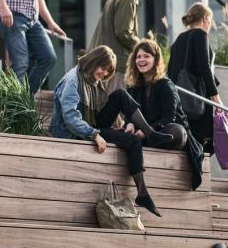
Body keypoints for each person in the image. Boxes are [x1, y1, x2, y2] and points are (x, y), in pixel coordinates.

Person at [50, 45, 172, 217]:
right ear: (94, 62)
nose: (105, 74)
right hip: (77, 132)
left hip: (91, 123)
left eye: (108, 71)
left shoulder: (91, 78)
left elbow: (101, 106)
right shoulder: (72, 81)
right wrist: (94, 134)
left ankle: (150, 135)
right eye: (103, 68)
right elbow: (71, 118)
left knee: (121, 96)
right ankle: (143, 194)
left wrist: (118, 121)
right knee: (133, 141)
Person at [125, 39, 205, 190]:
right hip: (143, 133)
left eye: (146, 56)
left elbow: (169, 118)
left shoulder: (165, 85)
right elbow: (130, 113)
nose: (141, 60)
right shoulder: (134, 87)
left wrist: (146, 131)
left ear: (155, 60)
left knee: (176, 132)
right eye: (138, 56)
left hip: (164, 130)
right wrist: (129, 123)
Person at [88, 0, 160, 93]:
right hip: (115, 64)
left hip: (104, 61)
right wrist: (142, 47)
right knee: (116, 107)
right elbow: (123, 32)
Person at [167, 3, 222, 152]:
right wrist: (216, 98)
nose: (209, 25)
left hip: (181, 100)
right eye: (209, 21)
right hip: (197, 100)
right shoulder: (200, 34)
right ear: (205, 18)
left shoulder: (179, 39)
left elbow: (172, 70)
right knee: (204, 145)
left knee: (187, 145)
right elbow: (204, 67)